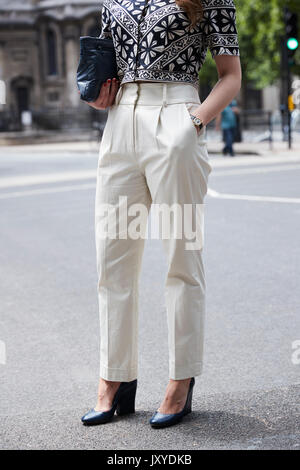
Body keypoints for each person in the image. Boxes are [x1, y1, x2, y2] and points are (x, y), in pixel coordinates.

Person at [81, 0, 241, 428]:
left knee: (181, 258)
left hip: (178, 121)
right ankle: (115, 377)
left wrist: (195, 123)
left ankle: (180, 380)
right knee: (112, 261)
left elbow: (231, 76)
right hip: (119, 128)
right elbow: (108, 65)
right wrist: (100, 94)